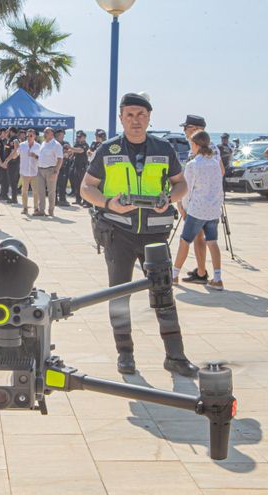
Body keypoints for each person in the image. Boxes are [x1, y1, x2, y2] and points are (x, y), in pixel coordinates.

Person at [80, 92, 198, 377]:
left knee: (163, 294)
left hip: (155, 234)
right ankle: (125, 354)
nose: (136, 120)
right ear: (121, 117)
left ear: (149, 117)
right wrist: (109, 204)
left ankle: (175, 356)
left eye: (141, 115)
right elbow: (86, 188)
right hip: (118, 232)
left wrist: (169, 199)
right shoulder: (107, 150)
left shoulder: (164, 148)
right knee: (119, 295)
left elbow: (180, 184)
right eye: (130, 115)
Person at [172, 131, 224, 291]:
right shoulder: (215, 163)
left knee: (184, 241)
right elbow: (218, 187)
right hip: (213, 209)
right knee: (212, 242)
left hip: (197, 209)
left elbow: (187, 189)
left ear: (195, 145)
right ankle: (217, 278)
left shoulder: (193, 165)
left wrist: (182, 207)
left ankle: (173, 275)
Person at [34, 127, 63, 217]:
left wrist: (56, 172)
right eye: (44, 132)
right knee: (40, 191)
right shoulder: (43, 143)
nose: (44, 134)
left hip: (51, 170)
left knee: (51, 192)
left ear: (52, 134)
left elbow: (60, 159)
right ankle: (41, 210)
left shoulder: (56, 145)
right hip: (40, 169)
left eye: (47, 132)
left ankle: (51, 211)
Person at [15, 128, 40, 215]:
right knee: (24, 191)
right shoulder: (22, 145)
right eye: (27, 135)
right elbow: (15, 156)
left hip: (34, 172)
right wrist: (15, 148)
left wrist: (35, 156)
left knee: (35, 192)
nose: (29, 137)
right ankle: (25, 208)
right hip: (24, 172)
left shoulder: (38, 146)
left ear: (34, 136)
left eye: (31, 135)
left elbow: (41, 159)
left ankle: (36, 208)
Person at [70, 130, 90, 207]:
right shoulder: (77, 144)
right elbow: (73, 153)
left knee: (83, 184)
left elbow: (80, 151)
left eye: (79, 137)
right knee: (77, 184)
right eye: (77, 137)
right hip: (76, 166)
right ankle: (78, 200)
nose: (78, 138)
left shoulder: (85, 145)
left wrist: (71, 148)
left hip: (82, 167)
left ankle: (85, 201)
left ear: (84, 137)